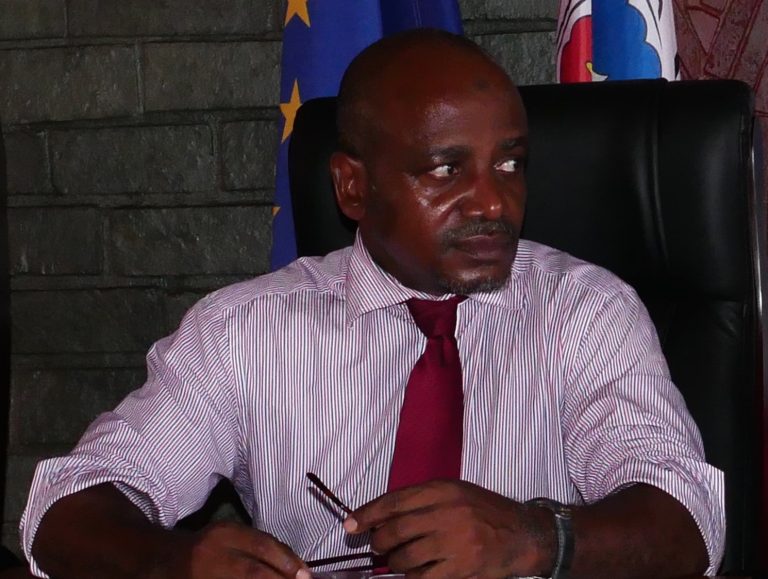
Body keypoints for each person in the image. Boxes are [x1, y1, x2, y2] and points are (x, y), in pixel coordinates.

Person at [21, 29, 723, 579]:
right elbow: (69, 503)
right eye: (446, 169)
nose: (493, 201)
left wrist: (535, 537)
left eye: (511, 163)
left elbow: (687, 519)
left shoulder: (585, 311)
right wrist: (170, 561)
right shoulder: (244, 333)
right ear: (353, 187)